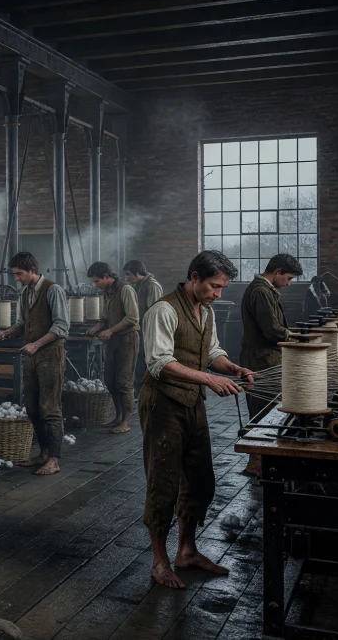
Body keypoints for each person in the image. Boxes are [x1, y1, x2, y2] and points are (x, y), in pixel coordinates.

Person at [141, 250, 254, 590]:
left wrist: (230, 368)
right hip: (163, 403)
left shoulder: (205, 311)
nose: (218, 294)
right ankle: (159, 561)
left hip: (192, 403)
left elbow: (212, 352)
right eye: (214, 287)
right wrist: (208, 379)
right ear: (194, 277)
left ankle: (186, 551)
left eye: (221, 288)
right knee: (163, 483)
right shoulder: (162, 310)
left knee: (201, 480)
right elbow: (158, 363)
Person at [0, 252, 68, 475]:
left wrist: (36, 344)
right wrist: (8, 332)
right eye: (15, 274)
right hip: (31, 357)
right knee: (32, 407)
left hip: (50, 356)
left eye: (19, 274)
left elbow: (61, 327)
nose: (16, 278)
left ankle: (54, 460)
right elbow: (22, 322)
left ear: (32, 270)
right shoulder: (25, 293)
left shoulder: (53, 290)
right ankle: (44, 453)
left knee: (50, 408)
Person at [238, 253, 300, 476]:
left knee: (266, 409)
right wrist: (296, 338)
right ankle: (255, 464)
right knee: (263, 410)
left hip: (264, 358)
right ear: (277, 272)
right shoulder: (261, 291)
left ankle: (259, 460)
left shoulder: (265, 290)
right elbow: (271, 330)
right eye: (289, 278)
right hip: (260, 360)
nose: (289, 284)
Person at [85, 261, 142, 434]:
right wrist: (98, 326)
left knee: (124, 383)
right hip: (113, 341)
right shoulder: (107, 292)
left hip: (127, 340)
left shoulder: (125, 290)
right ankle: (117, 417)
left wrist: (110, 330)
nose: (95, 284)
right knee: (110, 380)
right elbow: (105, 316)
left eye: (96, 281)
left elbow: (132, 318)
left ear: (107, 277)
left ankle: (125, 421)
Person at [124, 259, 163, 383]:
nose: (127, 277)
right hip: (140, 328)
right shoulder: (140, 285)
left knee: (146, 361)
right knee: (139, 360)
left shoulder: (152, 285)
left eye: (129, 274)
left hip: (148, 330)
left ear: (137, 273)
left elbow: (154, 311)